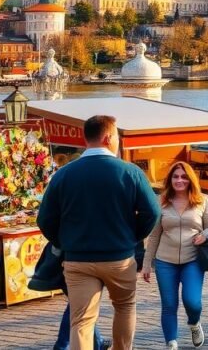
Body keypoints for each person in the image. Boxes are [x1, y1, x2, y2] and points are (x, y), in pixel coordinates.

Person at [37, 115, 161, 350]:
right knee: (124, 307)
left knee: (81, 320)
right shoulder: (130, 172)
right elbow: (152, 212)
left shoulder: (63, 174)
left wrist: (65, 240)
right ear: (108, 137)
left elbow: (45, 219)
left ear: (87, 138)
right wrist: (131, 237)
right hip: (119, 258)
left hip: (78, 259)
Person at [142, 162, 208, 349]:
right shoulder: (161, 202)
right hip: (164, 261)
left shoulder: (201, 201)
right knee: (169, 304)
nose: (179, 180)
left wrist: (204, 235)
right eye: (175, 177)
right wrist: (146, 263)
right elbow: (154, 235)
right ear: (170, 180)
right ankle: (171, 343)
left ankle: (194, 323)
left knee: (192, 302)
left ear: (190, 179)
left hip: (193, 260)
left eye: (183, 177)